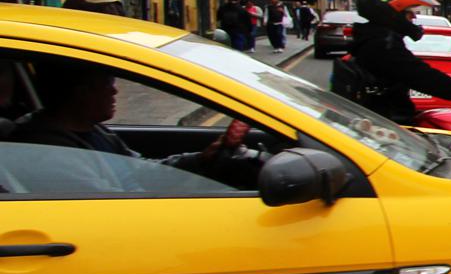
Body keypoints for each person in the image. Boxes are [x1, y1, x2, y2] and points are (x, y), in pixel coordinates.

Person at [10, 58, 262, 189]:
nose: (116, 92)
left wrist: (202, 158)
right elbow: (110, 208)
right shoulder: (52, 154)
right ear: (81, 92)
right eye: (108, 84)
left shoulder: (92, 130)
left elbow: (139, 169)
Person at [336, 0, 451, 123]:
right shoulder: (383, 44)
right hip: (388, 123)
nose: (414, 18)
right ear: (391, 14)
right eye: (409, 13)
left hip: (384, 119)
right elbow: (424, 77)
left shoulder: (373, 38)